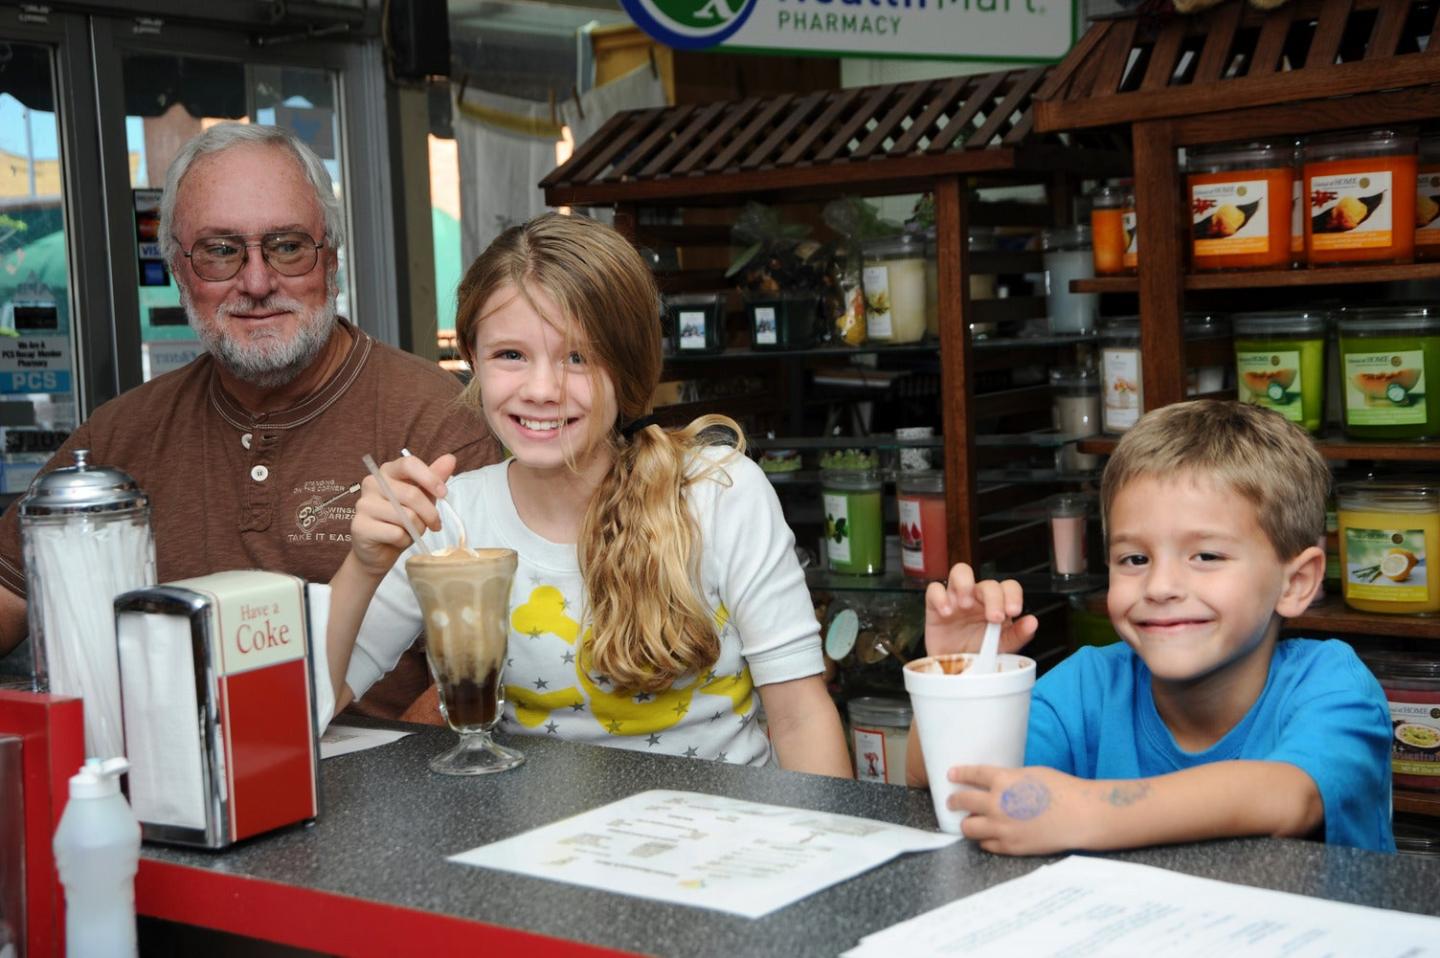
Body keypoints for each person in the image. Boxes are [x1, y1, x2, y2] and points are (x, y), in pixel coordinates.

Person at [323, 212, 852, 775]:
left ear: (627, 369)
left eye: (578, 356)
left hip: (726, 839)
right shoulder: (447, 522)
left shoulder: (719, 493)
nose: (543, 390)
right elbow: (309, 707)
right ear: (472, 360)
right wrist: (363, 565)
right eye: (510, 355)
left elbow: (798, 718)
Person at [0, 123, 499, 720]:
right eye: (221, 251)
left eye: (287, 246)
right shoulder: (118, 436)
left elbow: (491, 661)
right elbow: (11, 596)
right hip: (169, 779)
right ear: (179, 271)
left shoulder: (439, 422)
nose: (258, 282)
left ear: (331, 261)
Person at [908, 400, 1394, 853]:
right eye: (1135, 558)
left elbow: (1288, 797)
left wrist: (1087, 811)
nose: (1160, 586)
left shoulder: (1331, 684)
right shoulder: (1090, 685)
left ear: (1297, 583)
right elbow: (950, 781)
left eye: (1206, 555)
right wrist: (964, 680)